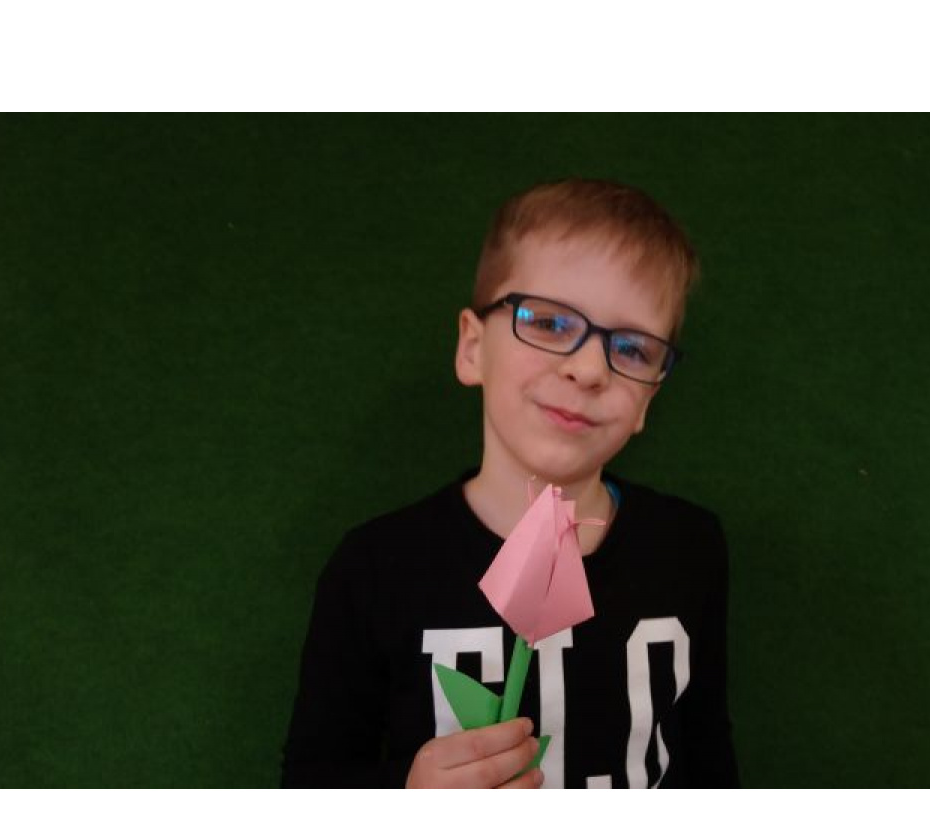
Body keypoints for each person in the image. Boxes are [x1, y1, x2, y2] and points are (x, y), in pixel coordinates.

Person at [281, 178, 739, 788]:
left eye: (632, 349)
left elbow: (708, 761)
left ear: (649, 398)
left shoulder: (688, 548)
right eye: (548, 322)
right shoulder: (375, 569)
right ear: (472, 347)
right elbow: (312, 781)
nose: (588, 369)